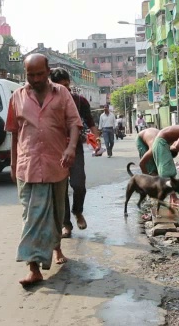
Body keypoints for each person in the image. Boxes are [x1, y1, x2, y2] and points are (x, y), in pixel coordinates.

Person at [6, 54, 82, 286]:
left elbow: (74, 123)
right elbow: (14, 132)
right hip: (27, 165)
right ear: (25, 73)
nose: (36, 79)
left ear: (48, 71)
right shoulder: (17, 97)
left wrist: (70, 148)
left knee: (57, 214)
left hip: (56, 164)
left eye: (40, 74)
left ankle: (56, 247)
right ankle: (33, 267)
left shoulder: (62, 93)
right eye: (31, 75)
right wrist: (12, 162)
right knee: (31, 216)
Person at [49, 67, 99, 239]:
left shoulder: (79, 101)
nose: (66, 89)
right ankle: (66, 224)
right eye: (61, 86)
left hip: (75, 148)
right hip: (55, 149)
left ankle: (78, 211)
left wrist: (96, 140)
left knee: (79, 184)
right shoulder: (48, 101)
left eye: (67, 85)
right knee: (60, 189)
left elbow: (90, 123)